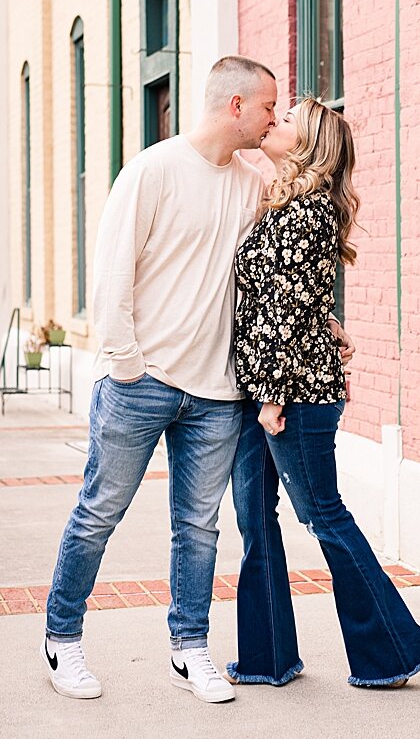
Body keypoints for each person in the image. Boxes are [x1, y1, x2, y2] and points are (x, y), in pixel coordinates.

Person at [41, 56, 280, 703]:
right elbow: (113, 273)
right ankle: (62, 638)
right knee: (99, 514)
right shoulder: (153, 170)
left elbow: (267, 277)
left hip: (216, 394)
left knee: (199, 529)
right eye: (267, 109)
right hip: (141, 383)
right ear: (235, 105)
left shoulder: (252, 184)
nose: (273, 120)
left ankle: (190, 649)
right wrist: (126, 366)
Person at [227, 97, 420, 689]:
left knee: (322, 515)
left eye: (287, 119)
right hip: (264, 386)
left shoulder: (308, 212)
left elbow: (285, 313)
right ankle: (267, 657)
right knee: (255, 518)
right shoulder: (285, 206)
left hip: (289, 396)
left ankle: (393, 652)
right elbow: (287, 298)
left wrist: (272, 397)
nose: (275, 121)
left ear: (308, 145)